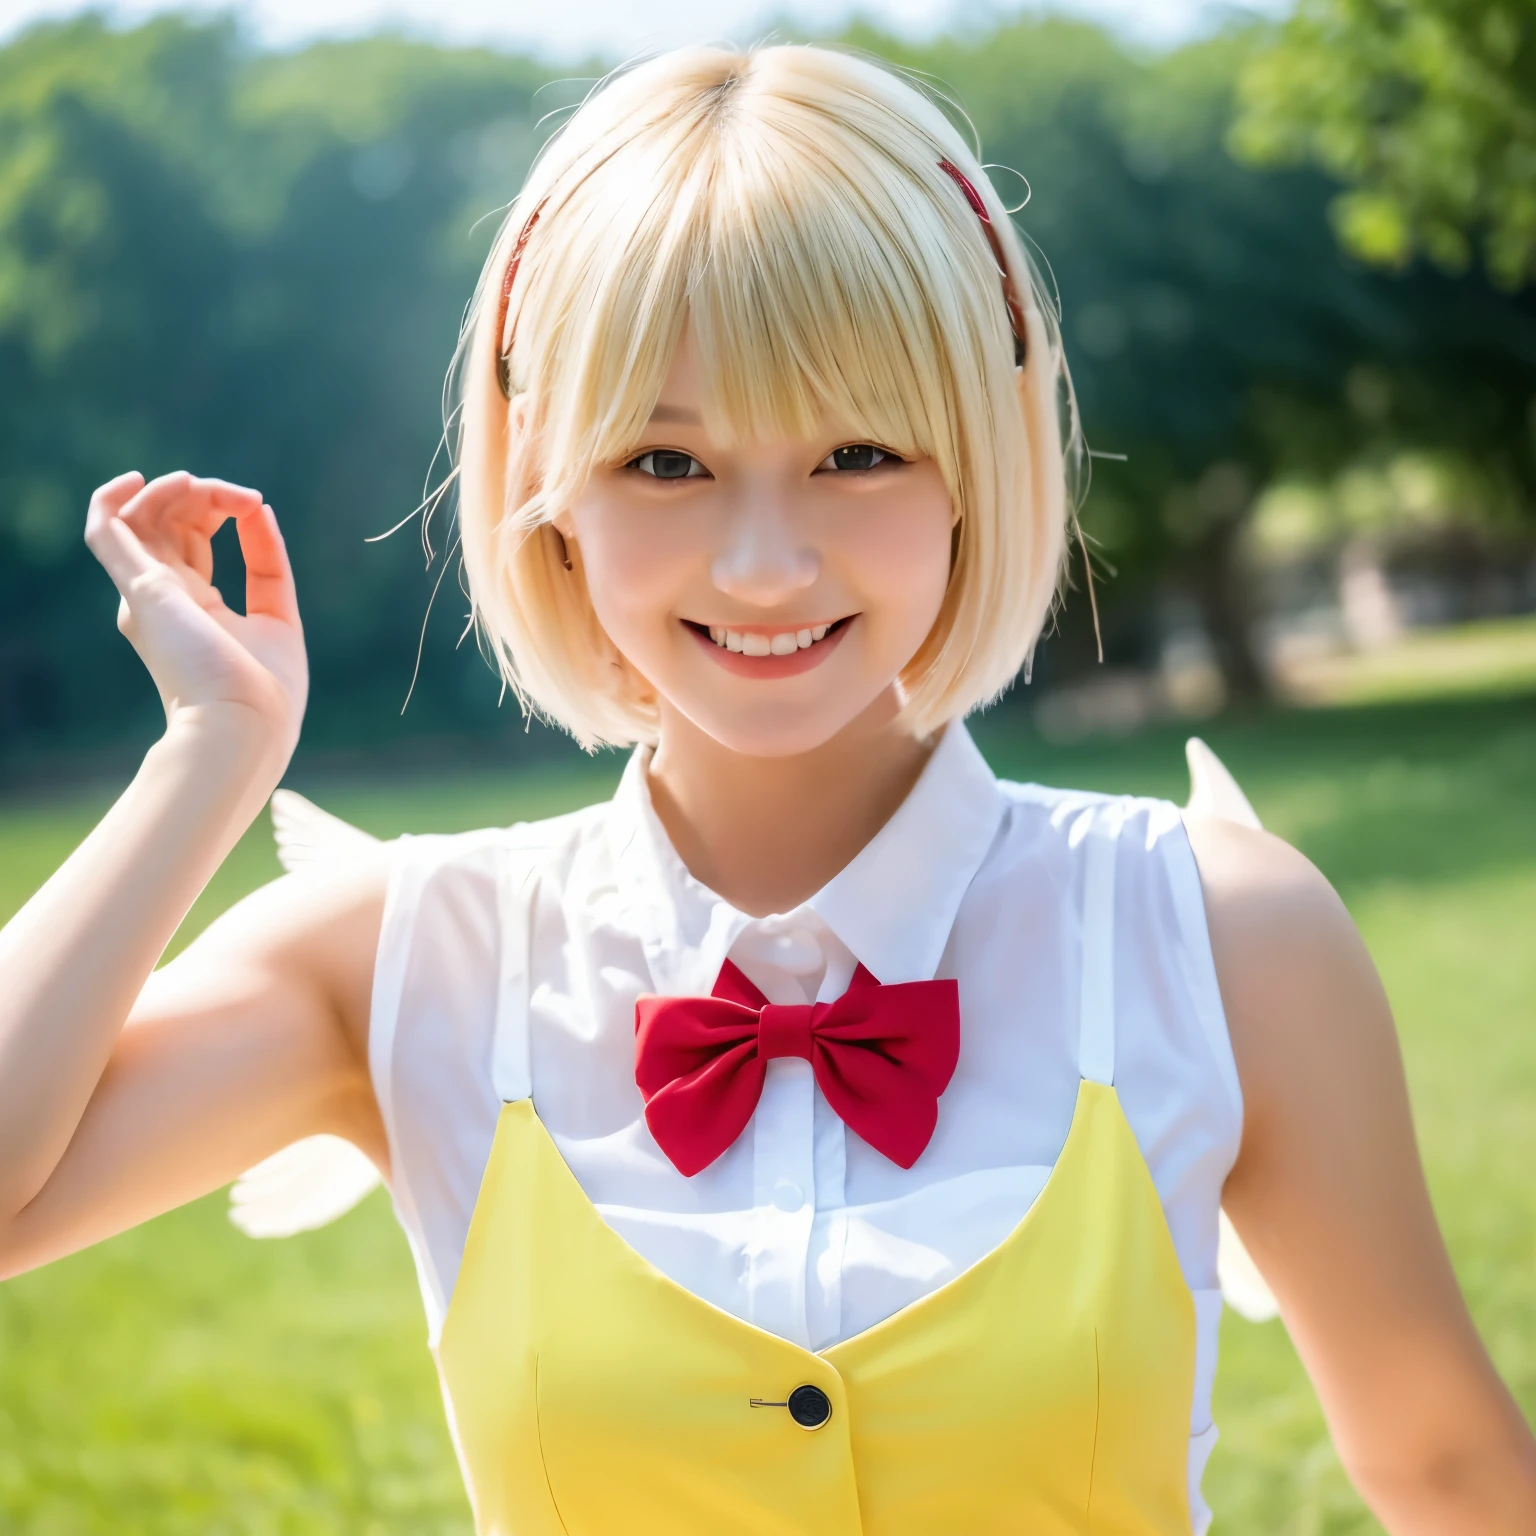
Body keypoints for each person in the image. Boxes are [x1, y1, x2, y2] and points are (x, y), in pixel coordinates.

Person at [0, 42, 1531, 1536]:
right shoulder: (403, 958)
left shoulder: (1216, 933)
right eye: (665, 466)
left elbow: (1452, 1477)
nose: (764, 563)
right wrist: (212, 754)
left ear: (972, 468)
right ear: (550, 491)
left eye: (857, 451)